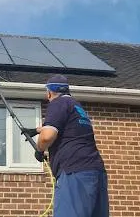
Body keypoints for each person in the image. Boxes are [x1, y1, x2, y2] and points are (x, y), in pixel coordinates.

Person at [23, 74, 109, 217]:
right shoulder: (76, 106)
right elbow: (68, 126)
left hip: (73, 172)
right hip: (96, 173)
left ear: (49, 92)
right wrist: (37, 130)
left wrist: (39, 149)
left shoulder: (57, 103)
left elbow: (47, 137)